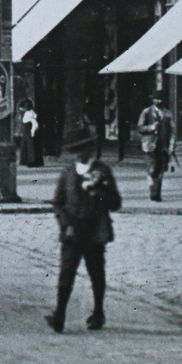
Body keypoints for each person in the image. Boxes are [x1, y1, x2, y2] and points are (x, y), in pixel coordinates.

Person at [47, 123, 121, 333]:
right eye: (75, 150)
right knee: (66, 273)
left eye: (83, 149)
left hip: (95, 232)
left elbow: (116, 202)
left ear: (90, 148)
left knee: (96, 273)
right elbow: (58, 203)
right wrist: (65, 224)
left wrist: (100, 193)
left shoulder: (102, 171)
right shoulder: (68, 173)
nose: (80, 154)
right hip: (72, 232)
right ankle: (59, 314)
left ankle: (98, 312)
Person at [135, 93, 172, 202]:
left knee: (160, 170)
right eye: (157, 99)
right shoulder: (146, 112)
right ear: (153, 100)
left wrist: (171, 145)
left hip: (163, 145)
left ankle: (156, 194)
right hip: (149, 145)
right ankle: (153, 190)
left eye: (161, 99)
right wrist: (152, 127)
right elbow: (139, 128)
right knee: (152, 169)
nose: (159, 101)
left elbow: (172, 130)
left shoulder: (167, 113)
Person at [18, 100, 43, 168]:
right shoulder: (26, 113)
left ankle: (32, 161)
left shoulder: (30, 113)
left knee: (31, 147)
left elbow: (35, 124)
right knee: (25, 146)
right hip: (26, 133)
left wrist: (32, 131)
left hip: (29, 132)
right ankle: (25, 160)